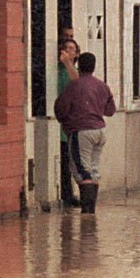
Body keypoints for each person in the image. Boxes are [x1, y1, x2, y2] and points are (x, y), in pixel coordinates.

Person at [54, 52, 116, 214]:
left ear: (79, 66)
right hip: (100, 131)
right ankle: (90, 215)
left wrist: (66, 121)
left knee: (81, 170)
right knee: (93, 170)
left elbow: (61, 109)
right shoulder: (102, 86)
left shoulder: (74, 85)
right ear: (94, 67)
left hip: (81, 132)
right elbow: (110, 110)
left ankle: (87, 213)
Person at [56, 37, 81, 208]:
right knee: (64, 159)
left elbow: (77, 82)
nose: (68, 50)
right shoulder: (56, 70)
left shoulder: (73, 70)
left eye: (71, 48)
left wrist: (67, 63)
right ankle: (66, 194)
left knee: (70, 160)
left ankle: (69, 194)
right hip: (58, 118)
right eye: (66, 47)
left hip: (69, 123)